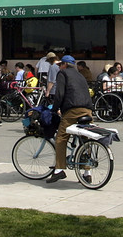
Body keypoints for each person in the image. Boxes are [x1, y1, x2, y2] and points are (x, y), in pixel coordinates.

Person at [46, 55, 94, 184]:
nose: (59, 67)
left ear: (65, 65)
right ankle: (87, 172)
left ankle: (59, 170)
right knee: (86, 139)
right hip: (87, 110)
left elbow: (60, 93)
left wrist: (55, 108)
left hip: (73, 110)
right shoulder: (80, 75)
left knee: (61, 137)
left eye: (60, 65)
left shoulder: (63, 73)